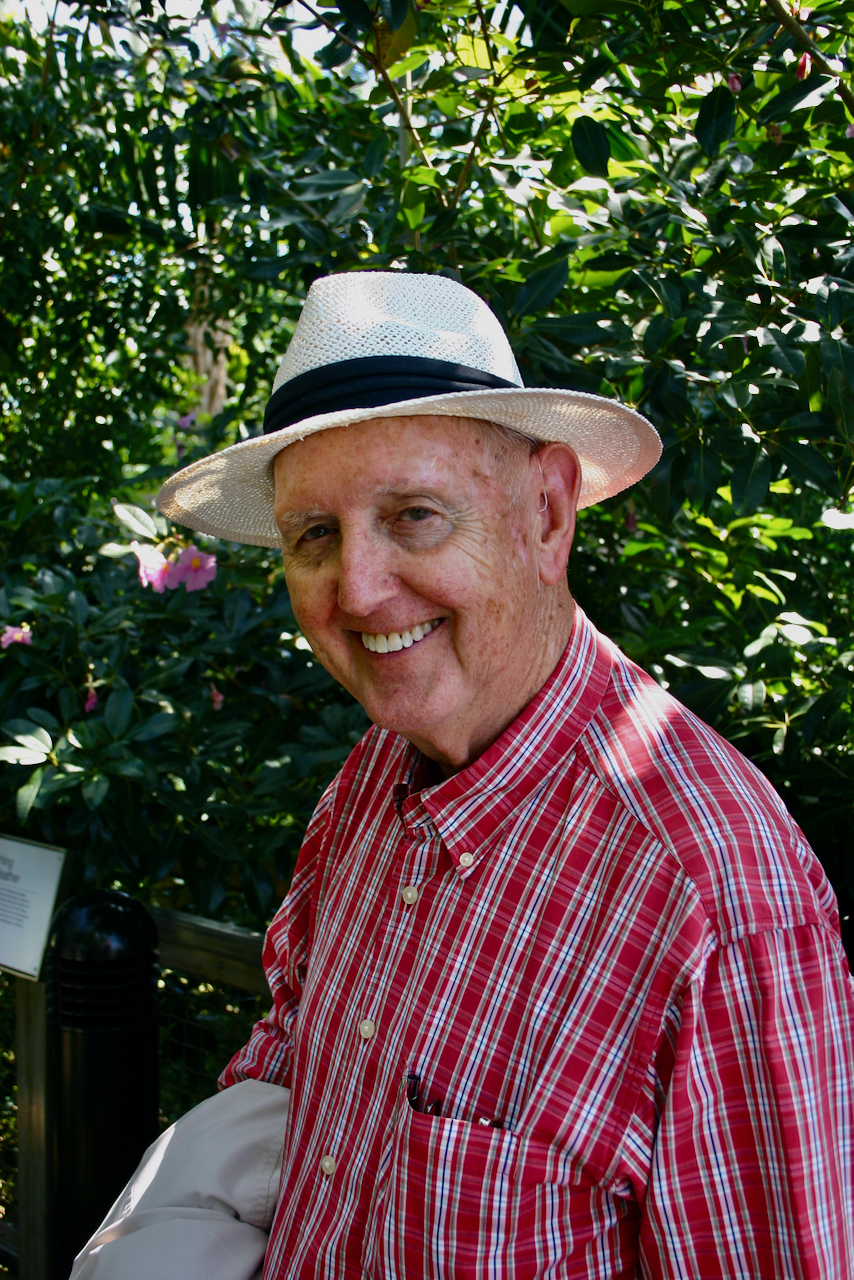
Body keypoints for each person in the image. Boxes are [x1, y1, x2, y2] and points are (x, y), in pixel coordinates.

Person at [72, 271, 854, 1280]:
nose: (357, 590)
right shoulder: (373, 778)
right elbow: (298, 1052)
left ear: (547, 513)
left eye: (414, 514)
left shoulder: (716, 897)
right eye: (315, 535)